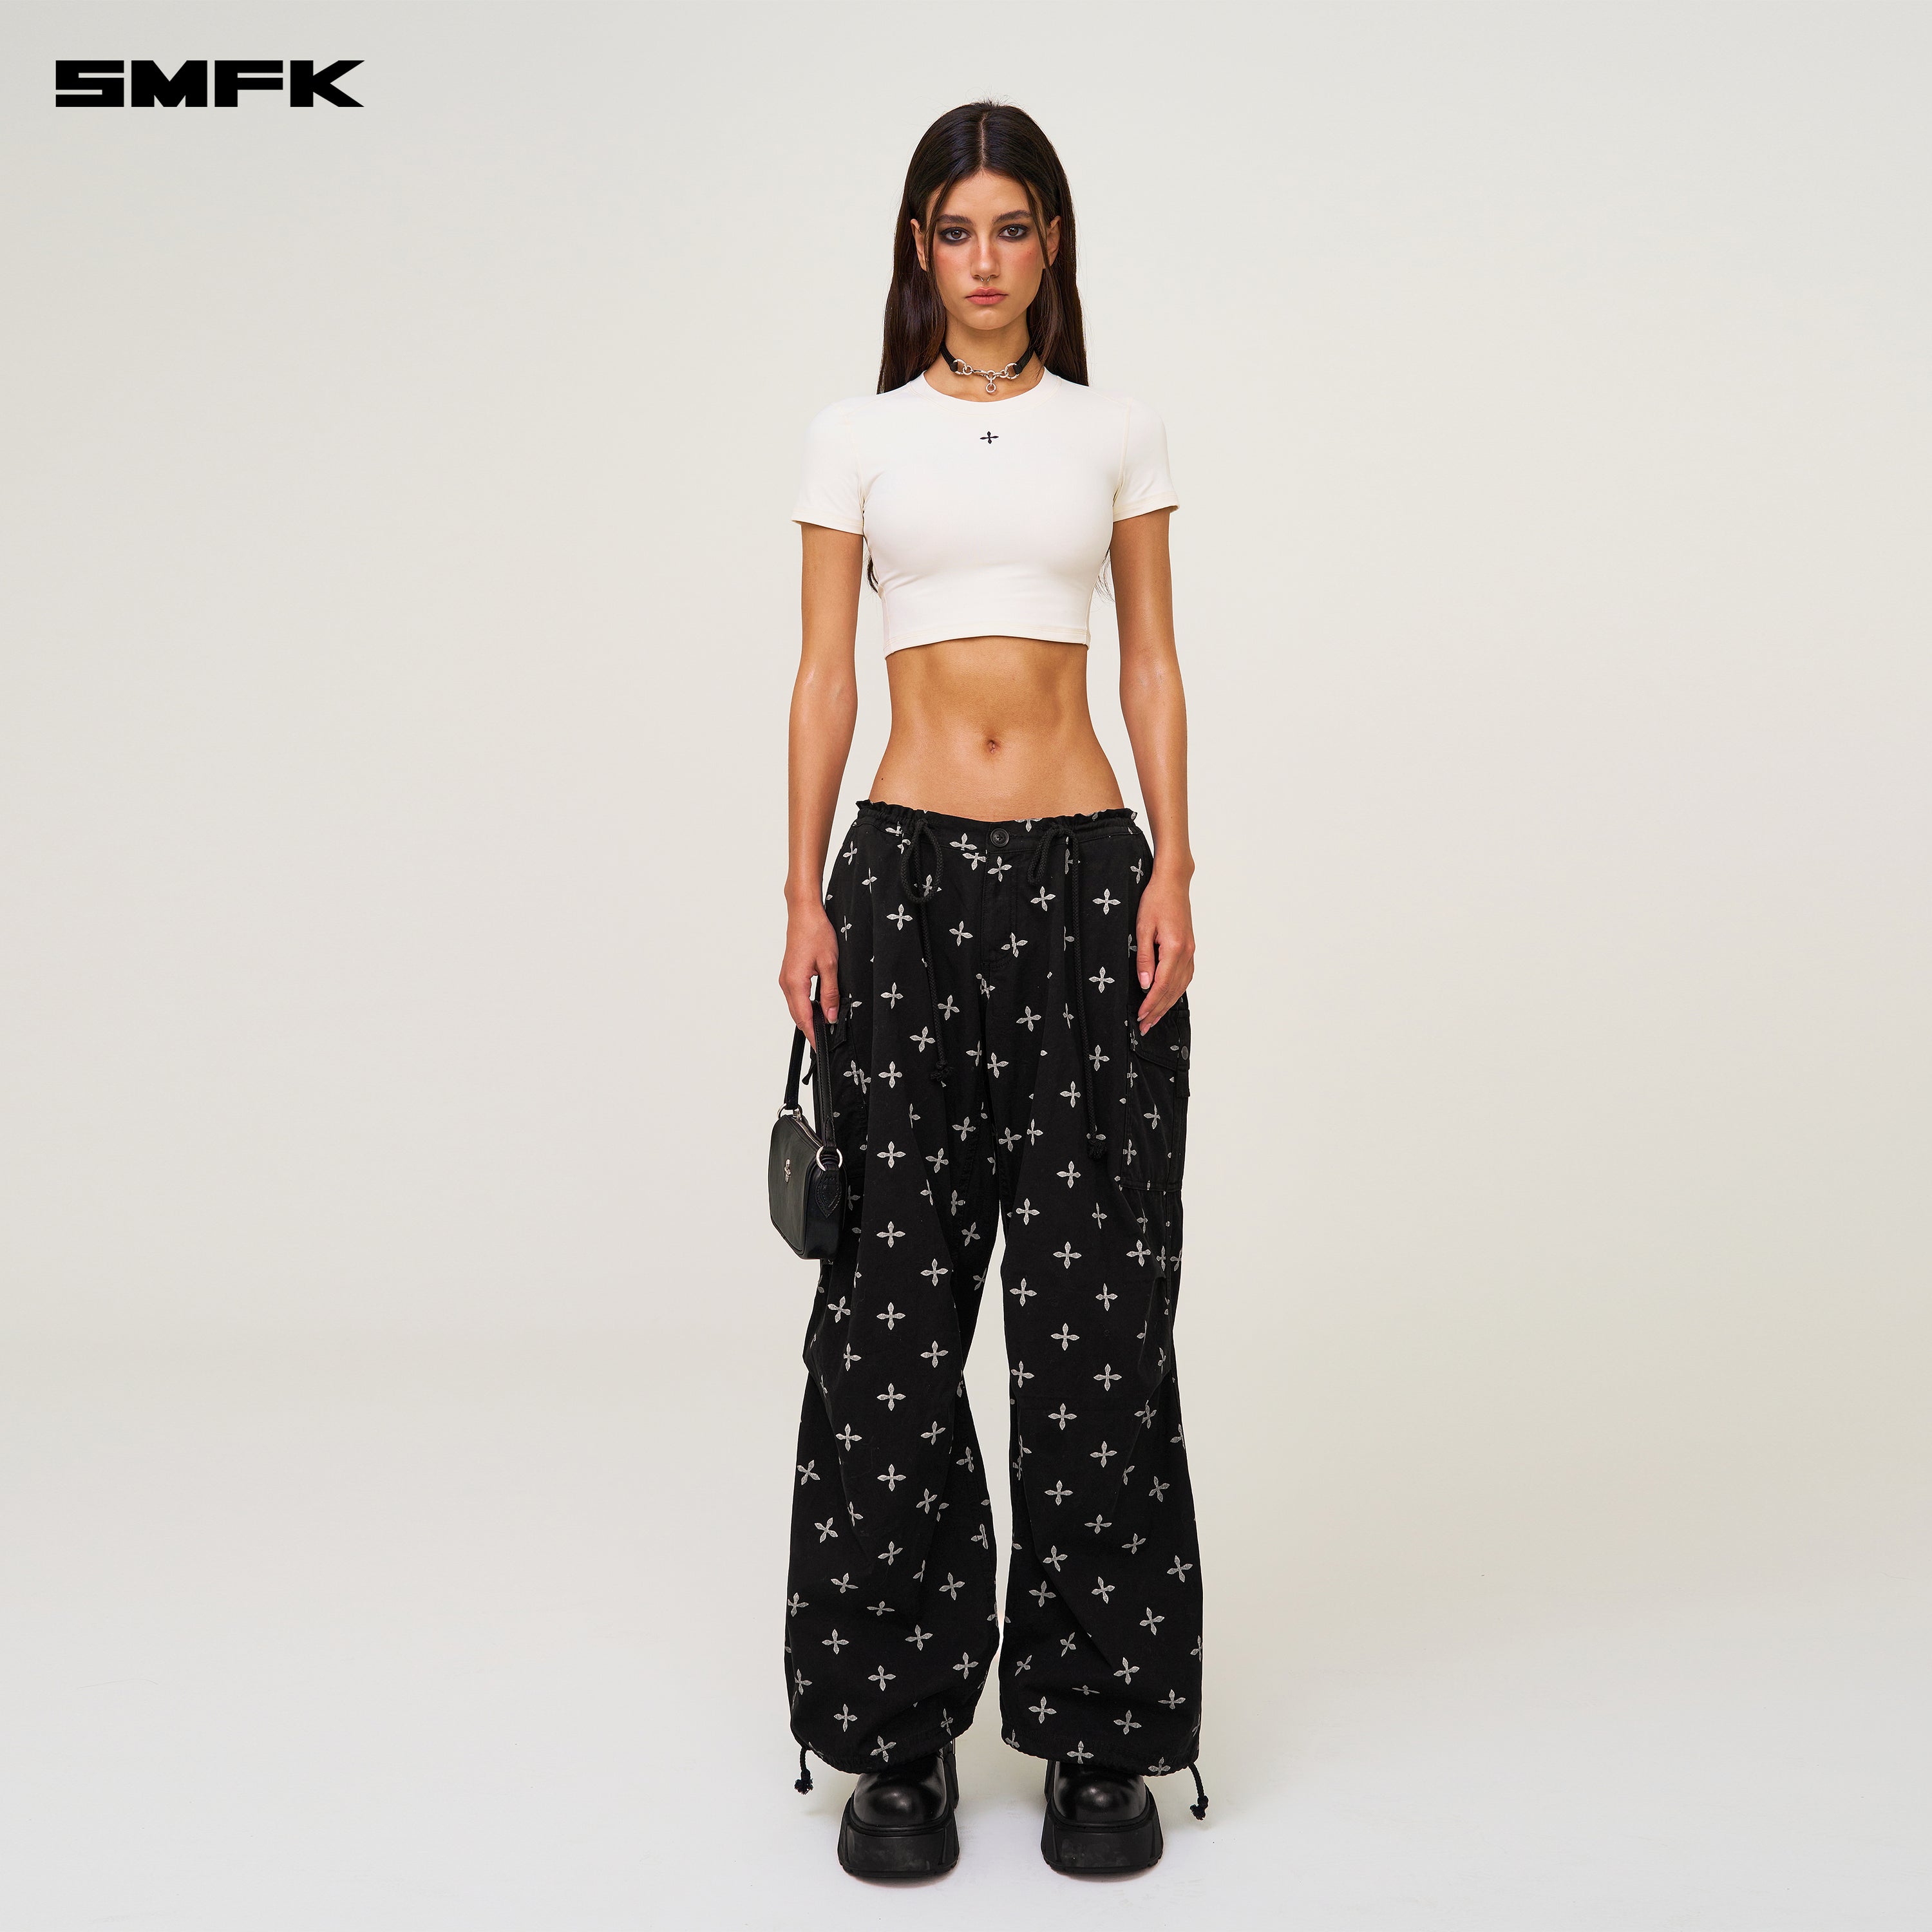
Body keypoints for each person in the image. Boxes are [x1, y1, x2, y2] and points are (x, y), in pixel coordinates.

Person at [779, 100, 1206, 1879]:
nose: (983, 260)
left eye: (1012, 227)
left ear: (1050, 247)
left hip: (1088, 882)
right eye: (955, 230)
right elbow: (822, 675)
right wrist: (802, 895)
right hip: (903, 889)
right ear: (918, 250)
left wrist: (1174, 866)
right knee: (890, 1319)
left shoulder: (1115, 430)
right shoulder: (855, 438)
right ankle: (895, 1735)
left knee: (1094, 1319)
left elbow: (1154, 658)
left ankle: (1104, 1735)